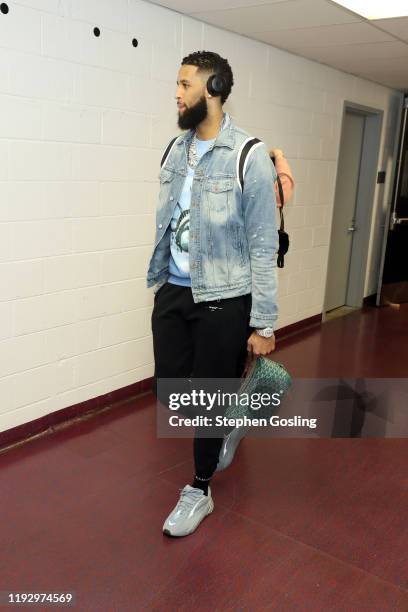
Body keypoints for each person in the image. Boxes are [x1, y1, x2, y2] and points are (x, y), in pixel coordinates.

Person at [146, 50, 279, 537]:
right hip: (175, 291)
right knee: (170, 390)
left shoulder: (248, 156)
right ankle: (235, 412)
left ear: (214, 88)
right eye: (177, 85)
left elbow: (264, 246)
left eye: (185, 84)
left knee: (204, 396)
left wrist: (263, 323)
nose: (177, 94)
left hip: (225, 297)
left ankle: (199, 489)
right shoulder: (173, 151)